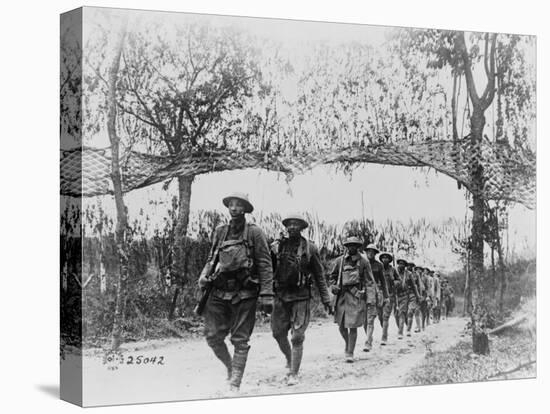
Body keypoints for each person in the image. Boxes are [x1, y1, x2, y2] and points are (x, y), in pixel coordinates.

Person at [198, 192, 274, 392]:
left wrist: (267, 294)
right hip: (220, 289)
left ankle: (235, 382)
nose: (234, 208)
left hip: (245, 292)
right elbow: (212, 257)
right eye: (231, 204)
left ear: (246, 209)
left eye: (239, 205)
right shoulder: (221, 231)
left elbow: (265, 264)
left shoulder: (255, 233)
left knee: (240, 339)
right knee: (212, 336)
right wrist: (204, 274)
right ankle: (231, 367)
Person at [270, 212, 332, 385]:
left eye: (296, 224)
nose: (292, 227)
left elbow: (319, 276)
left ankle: (293, 373)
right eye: (289, 224)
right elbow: (267, 270)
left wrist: (326, 299)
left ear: (302, 227)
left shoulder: (310, 248)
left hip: (301, 296)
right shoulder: (277, 246)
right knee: (277, 333)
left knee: (297, 336)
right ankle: (290, 358)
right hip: (281, 295)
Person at [330, 236, 375, 362]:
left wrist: (370, 298)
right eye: (349, 245)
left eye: (354, 245)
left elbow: (370, 281)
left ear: (358, 247)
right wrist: (333, 285)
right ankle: (348, 343)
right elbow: (332, 276)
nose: (351, 247)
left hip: (355, 297)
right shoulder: (340, 261)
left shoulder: (364, 261)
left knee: (353, 326)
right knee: (341, 326)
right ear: (346, 246)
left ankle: (350, 352)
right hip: (341, 297)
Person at [362, 244, 388, 352]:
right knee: (364, 320)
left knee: (371, 318)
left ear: (375, 253)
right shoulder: (362, 263)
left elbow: (383, 281)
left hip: (374, 292)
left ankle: (368, 342)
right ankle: (369, 337)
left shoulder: (379, 265)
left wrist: (385, 296)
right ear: (366, 252)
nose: (370, 253)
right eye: (368, 251)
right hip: (363, 292)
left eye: (373, 252)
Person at [379, 252, 399, 345]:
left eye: (387, 258)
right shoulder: (379, 268)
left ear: (389, 260)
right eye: (383, 258)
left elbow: (398, 280)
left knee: (385, 316)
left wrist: (394, 282)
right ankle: (384, 330)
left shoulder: (393, 270)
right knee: (380, 316)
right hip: (380, 294)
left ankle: (384, 337)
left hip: (390, 295)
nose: (385, 259)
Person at [393, 259, 412, 339]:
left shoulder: (408, 274)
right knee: (396, 314)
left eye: (403, 264)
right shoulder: (394, 272)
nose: (401, 265)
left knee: (402, 313)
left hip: (404, 295)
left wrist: (417, 296)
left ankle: (400, 332)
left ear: (405, 266)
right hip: (395, 295)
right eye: (399, 264)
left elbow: (413, 286)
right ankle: (401, 327)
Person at [406, 262, 423, 334]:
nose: (410, 267)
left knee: (413, 311)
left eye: (411, 266)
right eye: (408, 266)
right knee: (408, 312)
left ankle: (412, 328)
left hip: (414, 294)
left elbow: (419, 285)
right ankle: (410, 328)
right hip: (405, 294)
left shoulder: (416, 275)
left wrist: (419, 296)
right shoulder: (404, 273)